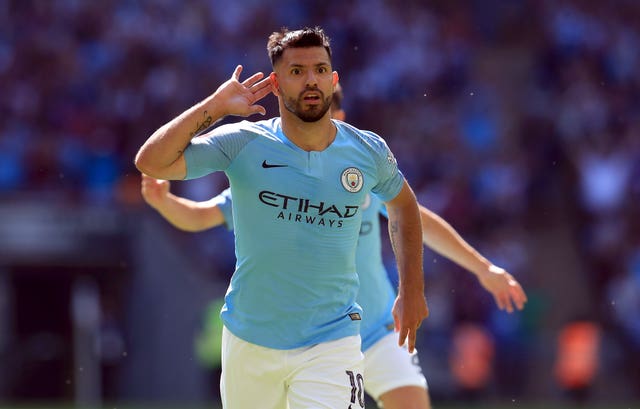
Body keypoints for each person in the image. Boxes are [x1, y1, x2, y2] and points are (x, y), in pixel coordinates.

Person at [140, 84, 527, 408]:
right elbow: (201, 216)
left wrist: (482, 268)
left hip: (376, 331)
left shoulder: (357, 170)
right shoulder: (268, 177)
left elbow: (416, 220)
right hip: (310, 337)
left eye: (334, 112)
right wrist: (164, 203)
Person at [135, 27, 429, 409]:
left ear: (334, 78)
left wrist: (413, 288)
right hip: (250, 339)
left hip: (332, 339)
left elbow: (404, 207)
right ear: (275, 84)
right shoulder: (243, 142)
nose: (311, 80)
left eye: (320, 69)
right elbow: (151, 161)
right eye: (297, 71)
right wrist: (215, 107)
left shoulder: (367, 151)